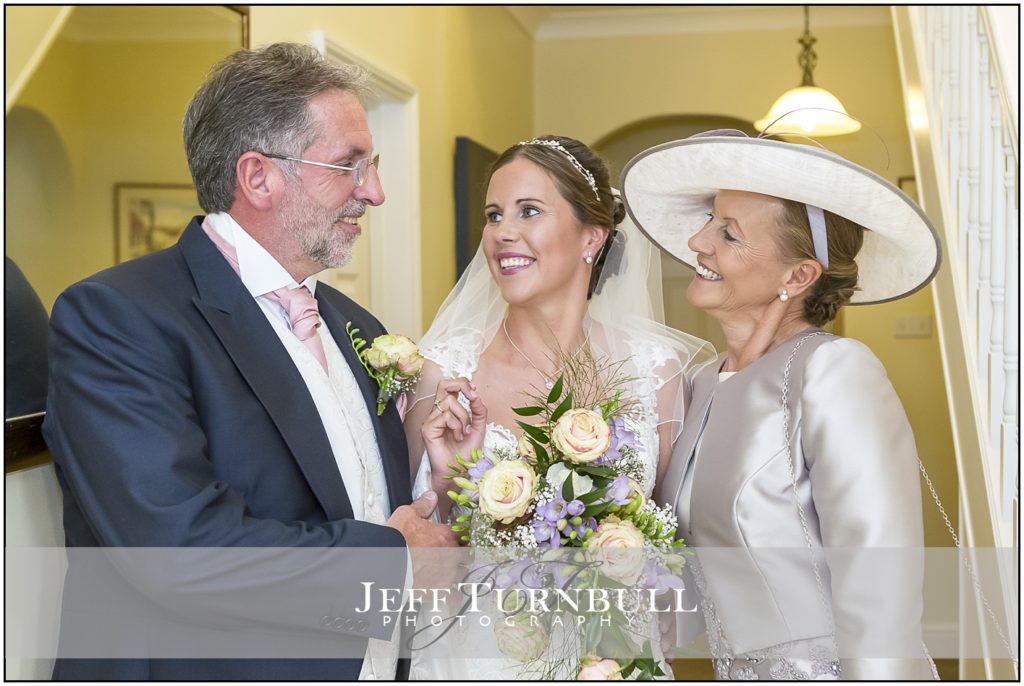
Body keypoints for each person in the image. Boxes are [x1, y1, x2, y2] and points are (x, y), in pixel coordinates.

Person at [42, 43, 457, 681]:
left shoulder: (356, 327)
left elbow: (362, 499)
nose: (373, 192)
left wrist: (440, 475)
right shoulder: (117, 319)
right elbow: (181, 552)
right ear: (258, 176)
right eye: (350, 165)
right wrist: (392, 559)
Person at [622, 129, 940, 680]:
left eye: (729, 233)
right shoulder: (695, 385)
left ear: (797, 276)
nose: (699, 241)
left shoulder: (835, 371)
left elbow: (881, 584)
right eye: (709, 221)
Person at [401, 135, 713, 679]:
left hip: (612, 655)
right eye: (494, 214)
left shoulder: (653, 373)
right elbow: (423, 548)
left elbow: (671, 540)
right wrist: (453, 479)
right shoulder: (445, 371)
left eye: (529, 211)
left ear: (592, 236)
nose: (503, 233)